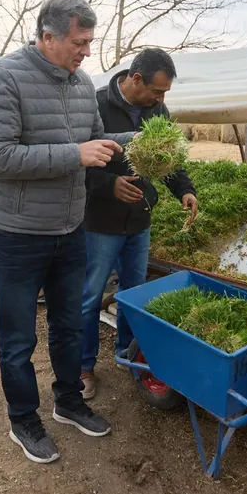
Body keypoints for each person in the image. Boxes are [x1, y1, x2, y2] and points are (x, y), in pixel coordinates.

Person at [0, 0, 135, 464]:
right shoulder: (4, 77)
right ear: (48, 37)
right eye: (79, 42)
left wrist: (136, 142)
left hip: (69, 228)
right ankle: (24, 420)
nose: (87, 51)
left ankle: (69, 402)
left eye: (89, 41)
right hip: (18, 233)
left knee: (69, 324)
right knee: (18, 336)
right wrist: (74, 155)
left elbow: (95, 141)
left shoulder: (82, 83)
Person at [79, 48, 197, 399]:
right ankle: (83, 366)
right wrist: (109, 185)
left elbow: (167, 158)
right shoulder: (95, 104)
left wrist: (185, 190)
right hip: (100, 221)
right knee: (90, 296)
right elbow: (74, 161)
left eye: (165, 93)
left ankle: (128, 355)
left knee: (134, 293)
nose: (161, 100)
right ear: (135, 79)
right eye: (157, 91)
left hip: (139, 218)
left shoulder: (157, 111)